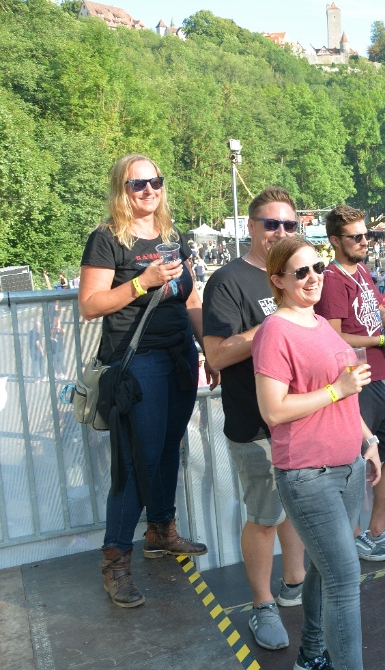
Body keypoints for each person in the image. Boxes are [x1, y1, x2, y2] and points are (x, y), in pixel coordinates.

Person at [78, 154, 210, 608]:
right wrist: (142, 282)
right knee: (136, 461)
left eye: (155, 181)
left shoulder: (172, 235)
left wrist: (208, 348)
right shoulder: (107, 238)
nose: (149, 190)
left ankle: (160, 530)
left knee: (169, 447)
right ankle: (115, 559)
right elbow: (90, 305)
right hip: (138, 362)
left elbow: (191, 298)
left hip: (179, 356)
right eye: (138, 184)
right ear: (122, 189)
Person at [252, 236, 381, 670]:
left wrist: (368, 441)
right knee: (344, 579)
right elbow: (273, 410)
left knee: (326, 570)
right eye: (301, 272)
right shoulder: (274, 331)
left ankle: (310, 654)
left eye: (318, 267)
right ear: (278, 280)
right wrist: (335, 390)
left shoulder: (321, 323)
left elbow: (347, 391)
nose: (313, 277)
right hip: (308, 473)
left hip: (348, 467)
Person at [202, 187, 312, 654]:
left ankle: (295, 582)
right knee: (266, 515)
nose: (281, 232)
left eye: (290, 225)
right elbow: (216, 354)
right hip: (255, 423)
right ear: (250, 227)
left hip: (301, 419)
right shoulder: (228, 281)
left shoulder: (299, 272)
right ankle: (262, 603)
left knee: (296, 508)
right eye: (272, 224)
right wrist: (276, 321)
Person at [315, 205, 385, 562]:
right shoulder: (332, 278)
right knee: (354, 463)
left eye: (365, 235)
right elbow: (333, 336)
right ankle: (354, 534)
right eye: (355, 237)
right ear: (334, 240)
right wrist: (382, 341)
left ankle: (376, 529)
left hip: (374, 377)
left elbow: (376, 307)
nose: (363, 241)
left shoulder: (360, 271)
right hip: (353, 380)